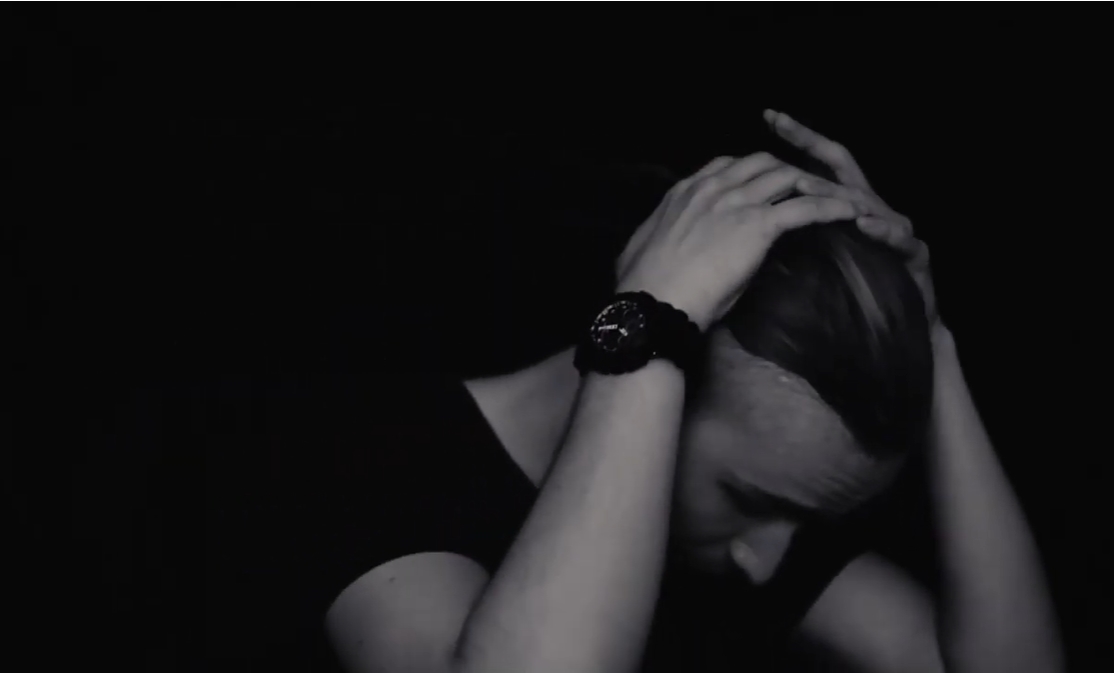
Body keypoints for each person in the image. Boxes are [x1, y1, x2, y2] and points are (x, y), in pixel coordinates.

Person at [199, 111, 1064, 673]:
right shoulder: (366, 454)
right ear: (664, 383)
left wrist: (932, 337)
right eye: (747, 497)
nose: (763, 560)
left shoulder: (748, 533)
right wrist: (647, 325)